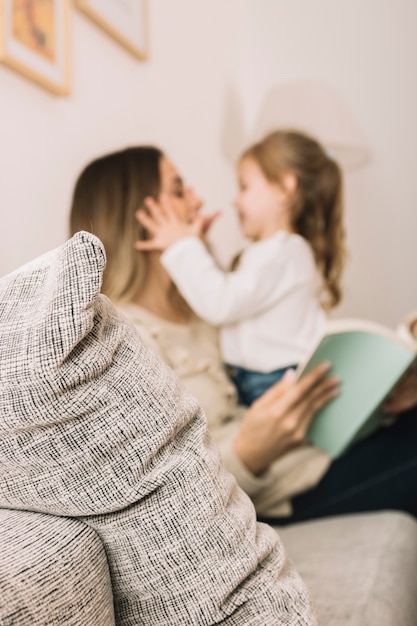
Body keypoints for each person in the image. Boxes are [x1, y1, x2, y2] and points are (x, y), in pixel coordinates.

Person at [69, 145, 417, 524]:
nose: (199, 200)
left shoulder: (210, 313)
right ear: (142, 215)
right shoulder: (121, 340)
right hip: (286, 489)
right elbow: (155, 490)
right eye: (180, 189)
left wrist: (377, 395)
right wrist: (250, 451)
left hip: (319, 451)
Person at [136, 130, 346, 406]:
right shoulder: (274, 253)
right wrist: (197, 247)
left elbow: (220, 303)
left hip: (274, 380)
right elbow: (233, 297)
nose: (235, 200)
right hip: (261, 378)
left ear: (285, 188)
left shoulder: (284, 252)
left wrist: (183, 246)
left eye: (244, 188)